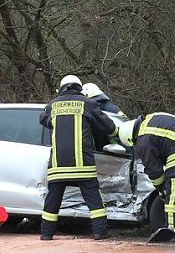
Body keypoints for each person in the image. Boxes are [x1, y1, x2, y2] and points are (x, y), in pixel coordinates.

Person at [39, 74, 119, 241]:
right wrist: (117, 134)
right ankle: (100, 233)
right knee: (94, 201)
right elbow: (108, 126)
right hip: (83, 165)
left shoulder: (52, 106)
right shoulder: (88, 104)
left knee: (52, 201)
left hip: (58, 166)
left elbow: (43, 119)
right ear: (79, 87)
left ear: (61, 87)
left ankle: (46, 234)